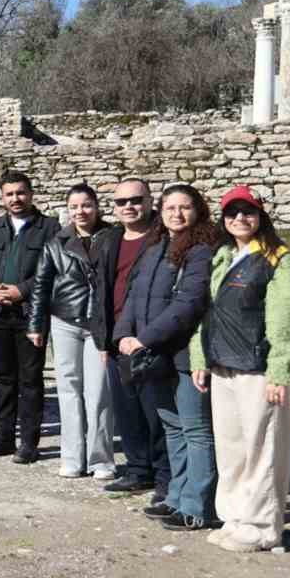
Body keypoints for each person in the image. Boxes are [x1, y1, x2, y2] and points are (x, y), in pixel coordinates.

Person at [190, 186, 290, 552]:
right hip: (223, 365)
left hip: (257, 369)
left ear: (261, 215)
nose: (240, 219)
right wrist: (200, 357)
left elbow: (287, 323)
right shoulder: (224, 256)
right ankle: (235, 516)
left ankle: (261, 526)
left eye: (248, 212)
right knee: (232, 449)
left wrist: (280, 371)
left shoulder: (279, 260)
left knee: (264, 451)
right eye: (232, 213)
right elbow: (206, 313)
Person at [117, 184, 220, 531]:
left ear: (198, 211)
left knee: (196, 430)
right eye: (170, 207)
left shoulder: (201, 250)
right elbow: (134, 297)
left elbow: (188, 303)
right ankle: (177, 496)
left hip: (184, 353)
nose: (177, 214)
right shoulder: (155, 247)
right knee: (173, 430)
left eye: (185, 207)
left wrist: (143, 339)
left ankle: (198, 507)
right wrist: (123, 335)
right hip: (155, 354)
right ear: (160, 211)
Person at [0, 171, 60, 461]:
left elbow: (54, 270)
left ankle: (29, 443)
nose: (15, 199)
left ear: (31, 194)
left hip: (29, 315)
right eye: (9, 194)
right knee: (5, 378)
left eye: (20, 193)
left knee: (31, 379)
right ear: (2, 197)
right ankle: (4, 437)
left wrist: (22, 290)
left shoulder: (49, 228)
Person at [29, 184, 115, 479]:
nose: (81, 211)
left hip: (99, 324)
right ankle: (72, 457)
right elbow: (41, 285)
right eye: (75, 206)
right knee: (68, 389)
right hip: (64, 321)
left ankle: (101, 458)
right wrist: (36, 325)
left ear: (97, 206)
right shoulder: (56, 242)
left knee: (99, 392)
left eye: (87, 205)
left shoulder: (112, 238)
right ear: (68, 210)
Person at [96, 179, 167, 497]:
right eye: (121, 202)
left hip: (152, 337)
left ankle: (166, 476)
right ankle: (138, 470)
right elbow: (101, 290)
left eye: (136, 200)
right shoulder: (110, 239)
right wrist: (103, 339)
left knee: (157, 412)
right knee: (127, 409)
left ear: (151, 201)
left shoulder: (163, 237)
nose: (129, 206)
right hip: (116, 337)